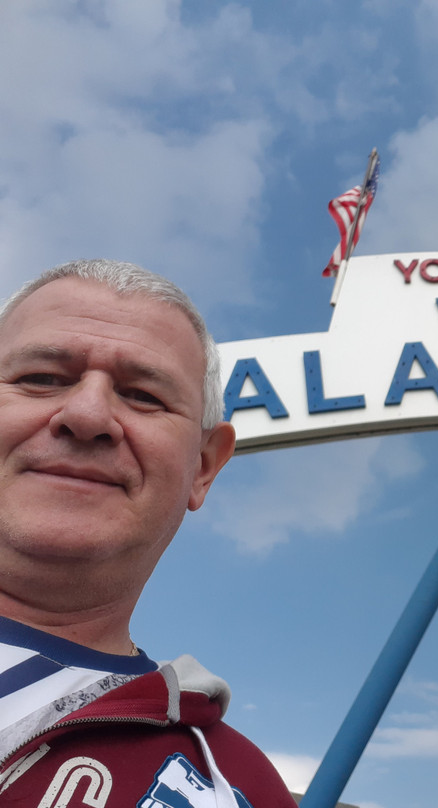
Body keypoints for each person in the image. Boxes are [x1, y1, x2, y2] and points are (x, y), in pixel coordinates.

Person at [0, 260, 295, 807]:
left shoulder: (237, 789)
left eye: (143, 395)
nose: (87, 415)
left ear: (204, 466)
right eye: (39, 378)